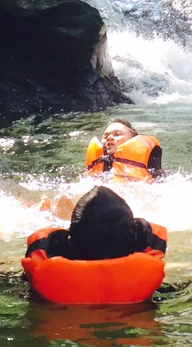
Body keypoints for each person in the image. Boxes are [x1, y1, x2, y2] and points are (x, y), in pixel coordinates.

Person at [22, 186, 168, 304]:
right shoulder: (146, 279)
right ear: (132, 242)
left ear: (70, 241)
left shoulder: (43, 273)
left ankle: (55, 216)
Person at [84, 118, 163, 181]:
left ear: (133, 140)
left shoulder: (152, 171)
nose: (109, 138)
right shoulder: (93, 172)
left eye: (117, 134)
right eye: (105, 136)